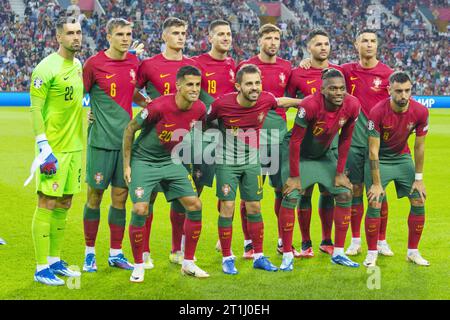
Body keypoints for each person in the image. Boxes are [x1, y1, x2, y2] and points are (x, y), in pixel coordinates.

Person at [208, 64, 300, 274]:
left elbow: (280, 101)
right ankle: (227, 257)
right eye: (249, 83)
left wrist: (305, 102)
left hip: (252, 162)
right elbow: (203, 122)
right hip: (226, 163)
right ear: (238, 86)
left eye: (257, 83)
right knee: (228, 207)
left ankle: (258, 256)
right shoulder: (222, 104)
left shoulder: (265, 99)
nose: (254, 87)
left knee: (254, 208)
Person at [123, 66, 209, 282]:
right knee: (141, 208)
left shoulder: (199, 108)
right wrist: (127, 165)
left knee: (195, 205)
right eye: (190, 84)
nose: (195, 89)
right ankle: (139, 265)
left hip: (171, 161)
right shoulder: (158, 106)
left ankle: (188, 262)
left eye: (198, 85)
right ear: (178, 85)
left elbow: (195, 133)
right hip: (144, 161)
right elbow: (130, 129)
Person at [280, 69, 361, 271]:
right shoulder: (309, 105)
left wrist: (340, 172)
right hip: (300, 154)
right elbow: (296, 141)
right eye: (333, 88)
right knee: (291, 195)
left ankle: (339, 253)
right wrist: (294, 176)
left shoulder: (352, 105)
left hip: (324, 154)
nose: (339, 92)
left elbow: (345, 139)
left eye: (342, 88)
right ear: (322, 90)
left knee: (344, 193)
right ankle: (288, 255)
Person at [136, 17, 199, 265]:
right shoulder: (150, 65)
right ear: (164, 36)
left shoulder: (193, 66)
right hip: (152, 141)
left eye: (184, 32)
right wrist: (148, 106)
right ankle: (144, 252)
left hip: (183, 142)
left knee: (181, 199)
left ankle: (176, 250)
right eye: (175, 32)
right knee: (148, 198)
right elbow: (131, 88)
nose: (181, 37)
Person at [82, 18, 142, 273]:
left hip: (125, 144)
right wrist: (83, 112)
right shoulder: (93, 64)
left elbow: (133, 92)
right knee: (95, 196)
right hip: (100, 142)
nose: (125, 38)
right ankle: (89, 253)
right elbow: (79, 93)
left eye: (128, 34)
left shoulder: (133, 63)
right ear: (108, 36)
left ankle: (115, 253)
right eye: (120, 34)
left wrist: (149, 103)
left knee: (120, 197)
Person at [28, 16, 83, 286]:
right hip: (53, 148)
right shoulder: (45, 68)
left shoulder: (79, 65)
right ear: (59, 37)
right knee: (47, 202)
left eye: (79, 32)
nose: (76, 37)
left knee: (65, 202)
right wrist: (43, 144)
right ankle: (40, 269)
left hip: (75, 147)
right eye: (70, 33)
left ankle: (54, 260)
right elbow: (36, 108)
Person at [237, 24, 297, 258]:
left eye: (277, 38)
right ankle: (249, 242)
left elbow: (294, 93)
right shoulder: (247, 67)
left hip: (279, 137)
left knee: (281, 190)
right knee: (250, 192)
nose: (273, 42)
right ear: (259, 40)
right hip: (252, 136)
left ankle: (283, 240)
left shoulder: (286, 67)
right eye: (268, 38)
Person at [363, 71, 429, 267]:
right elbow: (373, 151)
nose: (404, 96)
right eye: (399, 91)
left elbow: (419, 147)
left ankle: (413, 252)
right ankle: (372, 253)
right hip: (380, 160)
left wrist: (419, 178)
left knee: (419, 199)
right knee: (375, 202)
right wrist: (376, 183)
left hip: (402, 159)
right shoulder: (377, 111)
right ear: (389, 89)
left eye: (408, 91)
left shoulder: (420, 112)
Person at [287, 28, 342, 257]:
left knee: (329, 191)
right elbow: (288, 99)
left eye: (326, 44)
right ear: (309, 47)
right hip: (306, 141)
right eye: (318, 44)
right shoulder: (298, 73)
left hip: (331, 141)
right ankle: (306, 242)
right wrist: (307, 105)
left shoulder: (339, 73)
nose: (323, 48)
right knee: (306, 191)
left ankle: (327, 240)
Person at [341, 30, 393, 256]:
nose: (369, 44)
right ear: (356, 44)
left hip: (377, 144)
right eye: (365, 41)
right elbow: (319, 71)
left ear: (378, 45)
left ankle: (381, 240)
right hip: (353, 143)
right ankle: (355, 240)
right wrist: (305, 61)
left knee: (379, 192)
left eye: (373, 41)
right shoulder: (345, 70)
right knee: (355, 190)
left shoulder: (388, 74)